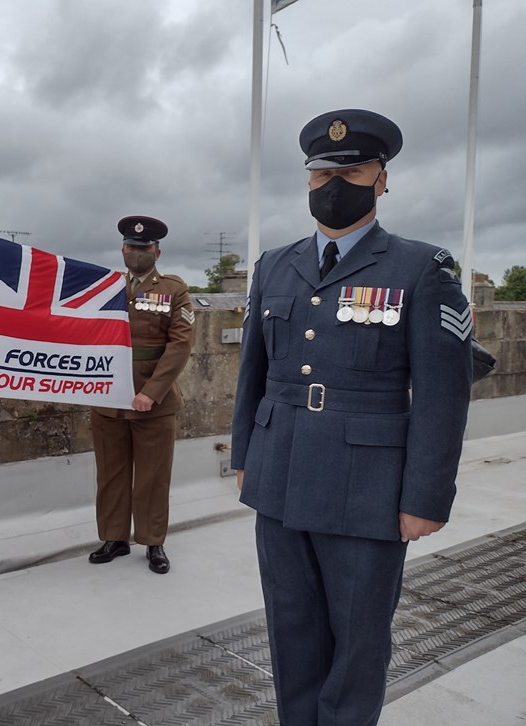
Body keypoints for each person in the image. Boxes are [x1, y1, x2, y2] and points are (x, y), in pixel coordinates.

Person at [231, 110, 473, 724]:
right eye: (321, 172)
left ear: (381, 179)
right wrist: (244, 458)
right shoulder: (273, 266)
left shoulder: (421, 268)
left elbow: (444, 394)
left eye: (354, 169)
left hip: (367, 490)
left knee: (359, 641)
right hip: (278, 475)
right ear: (308, 180)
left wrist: (426, 496)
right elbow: (252, 376)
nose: (334, 184)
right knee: (291, 631)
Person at [88, 216, 194, 574]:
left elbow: (180, 345)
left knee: (152, 475)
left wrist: (151, 392)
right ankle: (114, 538)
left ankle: (152, 542)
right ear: (122, 250)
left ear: (157, 251)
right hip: (108, 397)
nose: (137, 253)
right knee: (111, 473)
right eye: (132, 248)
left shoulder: (174, 289)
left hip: (155, 401)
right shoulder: (104, 287)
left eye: (144, 248)